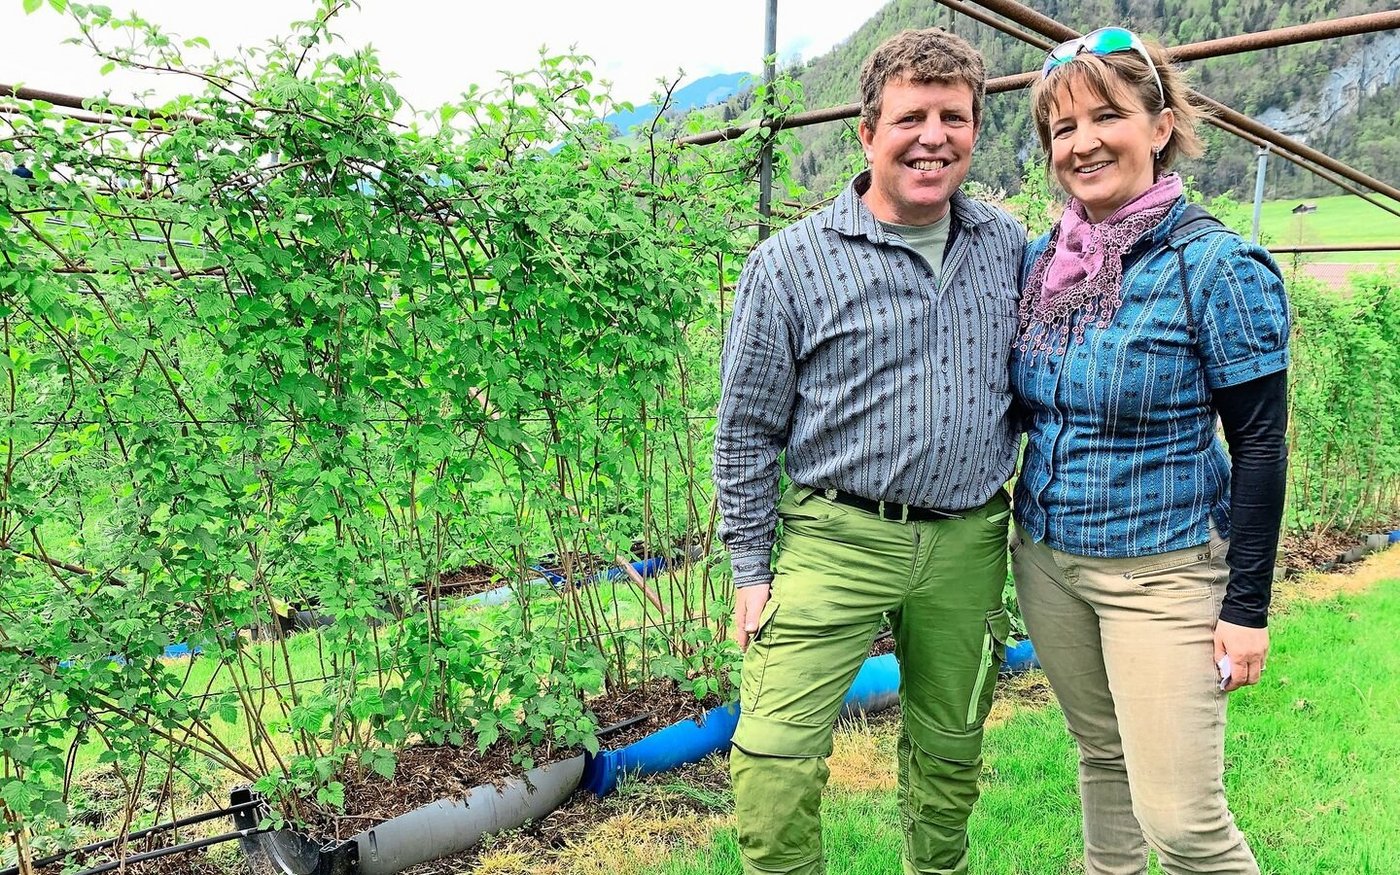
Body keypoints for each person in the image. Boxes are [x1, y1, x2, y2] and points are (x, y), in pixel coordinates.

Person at [713, 28, 1026, 875]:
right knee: (772, 763)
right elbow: (746, 426)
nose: (934, 136)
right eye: (911, 116)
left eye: (954, 117)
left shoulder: (1009, 249)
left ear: (974, 128)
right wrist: (750, 566)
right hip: (835, 539)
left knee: (950, 753)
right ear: (867, 133)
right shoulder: (790, 265)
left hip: (967, 541)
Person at [1010, 27, 1290, 875]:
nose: (1083, 142)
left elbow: (1262, 444)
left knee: (1185, 824)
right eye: (1063, 129)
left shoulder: (1214, 266)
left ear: (1160, 125)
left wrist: (1245, 609)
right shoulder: (1044, 262)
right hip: (1050, 563)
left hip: (1161, 574)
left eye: (1107, 116)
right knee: (1101, 757)